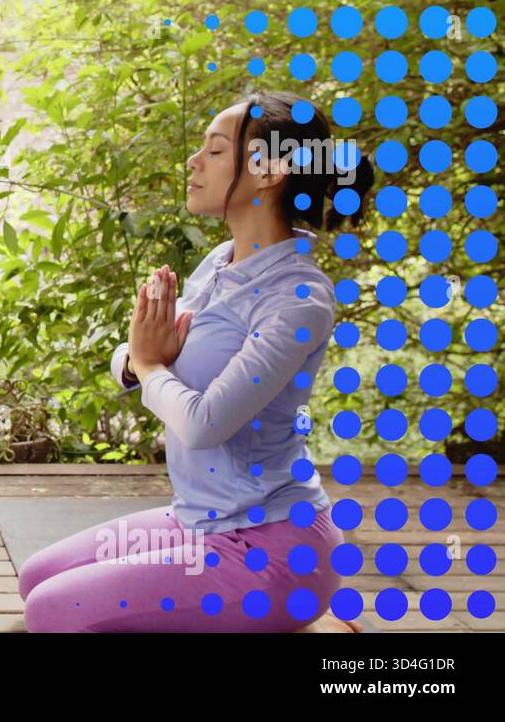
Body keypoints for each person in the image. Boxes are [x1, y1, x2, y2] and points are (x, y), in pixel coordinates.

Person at [19, 89, 375, 632]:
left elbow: (203, 422)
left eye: (213, 150)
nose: (193, 161)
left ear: (268, 170)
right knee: (36, 578)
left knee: (52, 610)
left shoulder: (298, 298)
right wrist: (142, 361)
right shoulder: (218, 263)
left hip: (275, 548)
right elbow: (138, 352)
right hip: (201, 522)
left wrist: (149, 366)